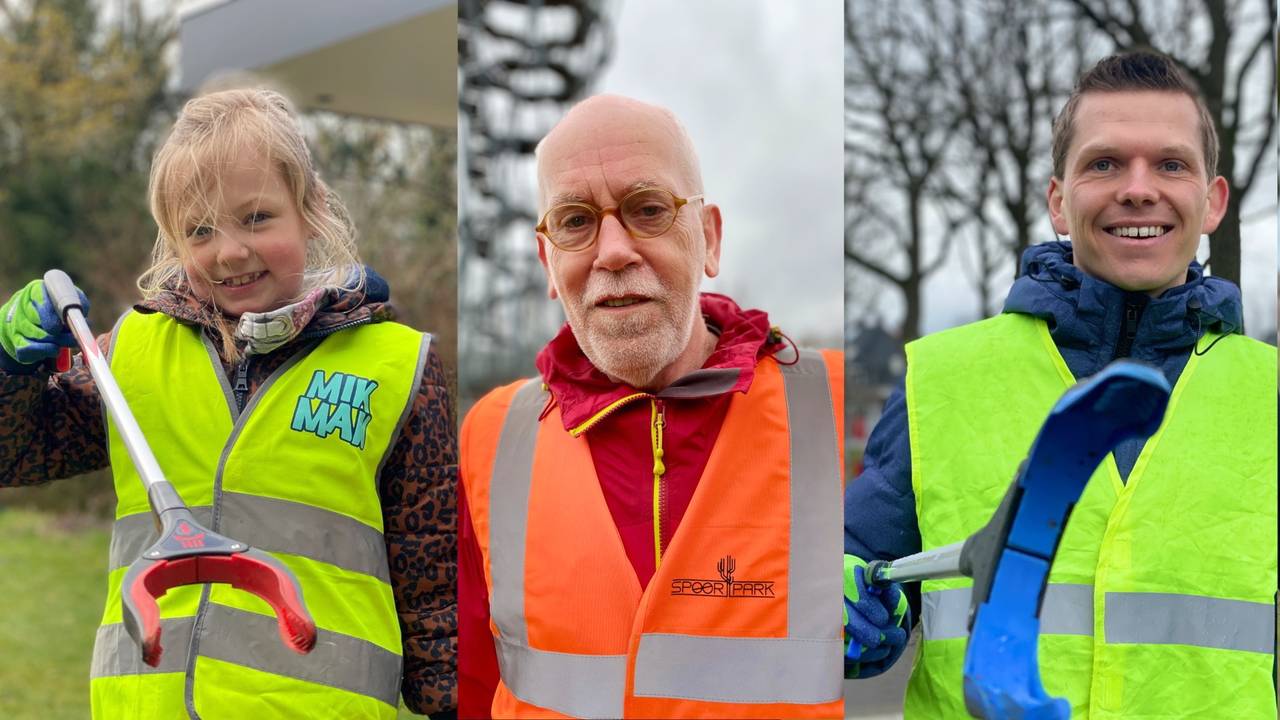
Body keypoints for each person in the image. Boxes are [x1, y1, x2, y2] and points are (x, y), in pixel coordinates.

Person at [843, 50, 1276, 718]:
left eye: (1170, 164)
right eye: (1104, 163)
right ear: (1058, 199)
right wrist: (844, 600)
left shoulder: (1270, 395)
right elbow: (857, 564)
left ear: (1212, 200)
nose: (1138, 188)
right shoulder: (942, 380)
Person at [0, 88, 456, 719]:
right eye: (200, 230)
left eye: (257, 218)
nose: (231, 251)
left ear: (310, 209)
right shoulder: (129, 352)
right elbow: (14, 455)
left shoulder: (398, 367)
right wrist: (9, 369)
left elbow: (436, 593)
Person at [457, 94, 845, 719]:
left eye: (647, 210)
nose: (612, 251)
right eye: (576, 221)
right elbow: (470, 687)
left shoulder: (831, 405)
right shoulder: (491, 440)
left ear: (709, 238)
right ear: (548, 262)